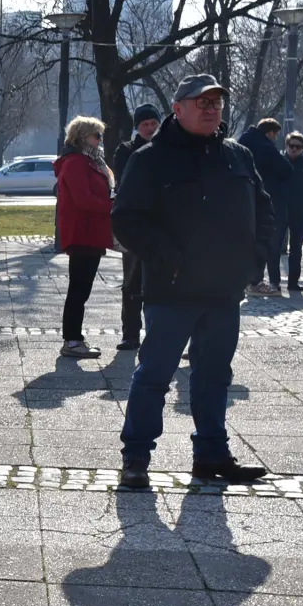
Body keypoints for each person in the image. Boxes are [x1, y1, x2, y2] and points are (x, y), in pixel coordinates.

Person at [112, 74, 272, 488]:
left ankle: (212, 455)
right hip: (173, 291)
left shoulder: (237, 156)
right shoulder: (150, 159)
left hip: (223, 291)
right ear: (177, 109)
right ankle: (136, 457)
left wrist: (254, 262)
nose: (211, 108)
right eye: (201, 102)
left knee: (215, 375)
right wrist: (169, 260)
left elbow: (264, 209)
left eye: (216, 102)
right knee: (154, 375)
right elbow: (126, 219)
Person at [54, 117, 114, 359]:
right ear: (82, 138)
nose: (100, 141)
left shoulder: (90, 161)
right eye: (96, 136)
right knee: (79, 289)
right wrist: (112, 205)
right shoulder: (76, 163)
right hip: (82, 233)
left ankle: (74, 337)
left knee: (81, 289)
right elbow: (84, 200)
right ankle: (72, 339)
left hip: (91, 233)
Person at [112, 104, 162, 350]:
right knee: (132, 281)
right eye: (145, 125)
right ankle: (130, 333)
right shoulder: (127, 151)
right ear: (137, 128)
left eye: (154, 123)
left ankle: (158, 333)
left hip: (162, 224)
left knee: (161, 282)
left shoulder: (168, 148)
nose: (150, 128)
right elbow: (124, 182)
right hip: (135, 225)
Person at [238, 118, 292, 297]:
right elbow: (286, 169)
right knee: (265, 240)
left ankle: (247, 279)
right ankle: (256, 282)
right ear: (270, 133)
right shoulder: (265, 147)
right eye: (275, 135)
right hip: (266, 196)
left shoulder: (243, 142)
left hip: (245, 198)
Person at [277, 132, 303, 294]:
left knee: (296, 248)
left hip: (300, 213)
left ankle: (293, 282)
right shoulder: (279, 163)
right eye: (291, 146)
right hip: (280, 211)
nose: (294, 149)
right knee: (275, 247)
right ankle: (274, 281)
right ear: (286, 146)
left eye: (298, 147)